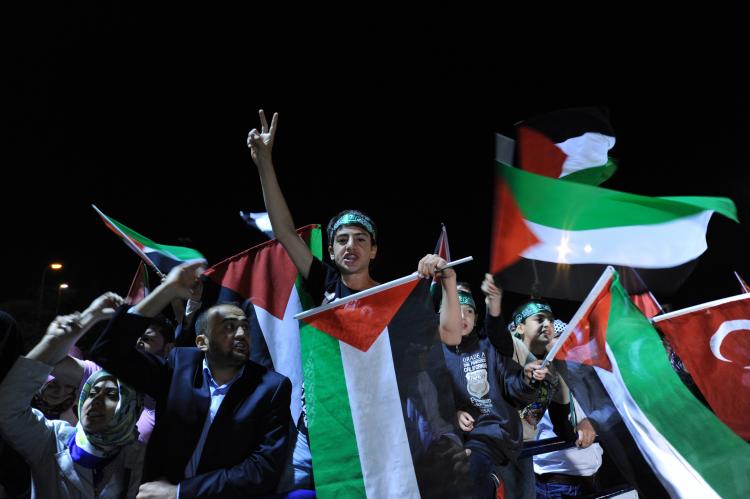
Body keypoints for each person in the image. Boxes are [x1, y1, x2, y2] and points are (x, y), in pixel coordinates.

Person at [248, 109, 463, 494]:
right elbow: (283, 230)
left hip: (375, 436)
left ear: (375, 249)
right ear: (331, 251)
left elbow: (449, 336)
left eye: (360, 239)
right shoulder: (325, 283)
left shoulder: (395, 299)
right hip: (317, 435)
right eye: (342, 239)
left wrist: (446, 280)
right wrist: (265, 162)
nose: (351, 246)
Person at [90, 261, 292, 498]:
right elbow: (108, 351)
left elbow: (263, 469)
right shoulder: (179, 367)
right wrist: (166, 291)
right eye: (228, 327)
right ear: (201, 343)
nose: (241, 334)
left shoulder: (271, 387)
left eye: (244, 327)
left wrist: (180, 493)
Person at [0, 313, 144, 499]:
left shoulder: (138, 456)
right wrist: (53, 341)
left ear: (129, 408)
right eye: (91, 393)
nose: (96, 400)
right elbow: (7, 407)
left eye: (110, 395)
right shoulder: (52, 439)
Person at [442, 283, 549, 499]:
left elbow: (513, 388)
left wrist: (527, 379)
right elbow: (430, 404)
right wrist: (452, 415)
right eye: (457, 310)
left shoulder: (489, 347)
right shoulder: (436, 356)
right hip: (458, 445)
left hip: (496, 435)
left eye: (469, 311)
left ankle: (493, 483)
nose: (463, 316)